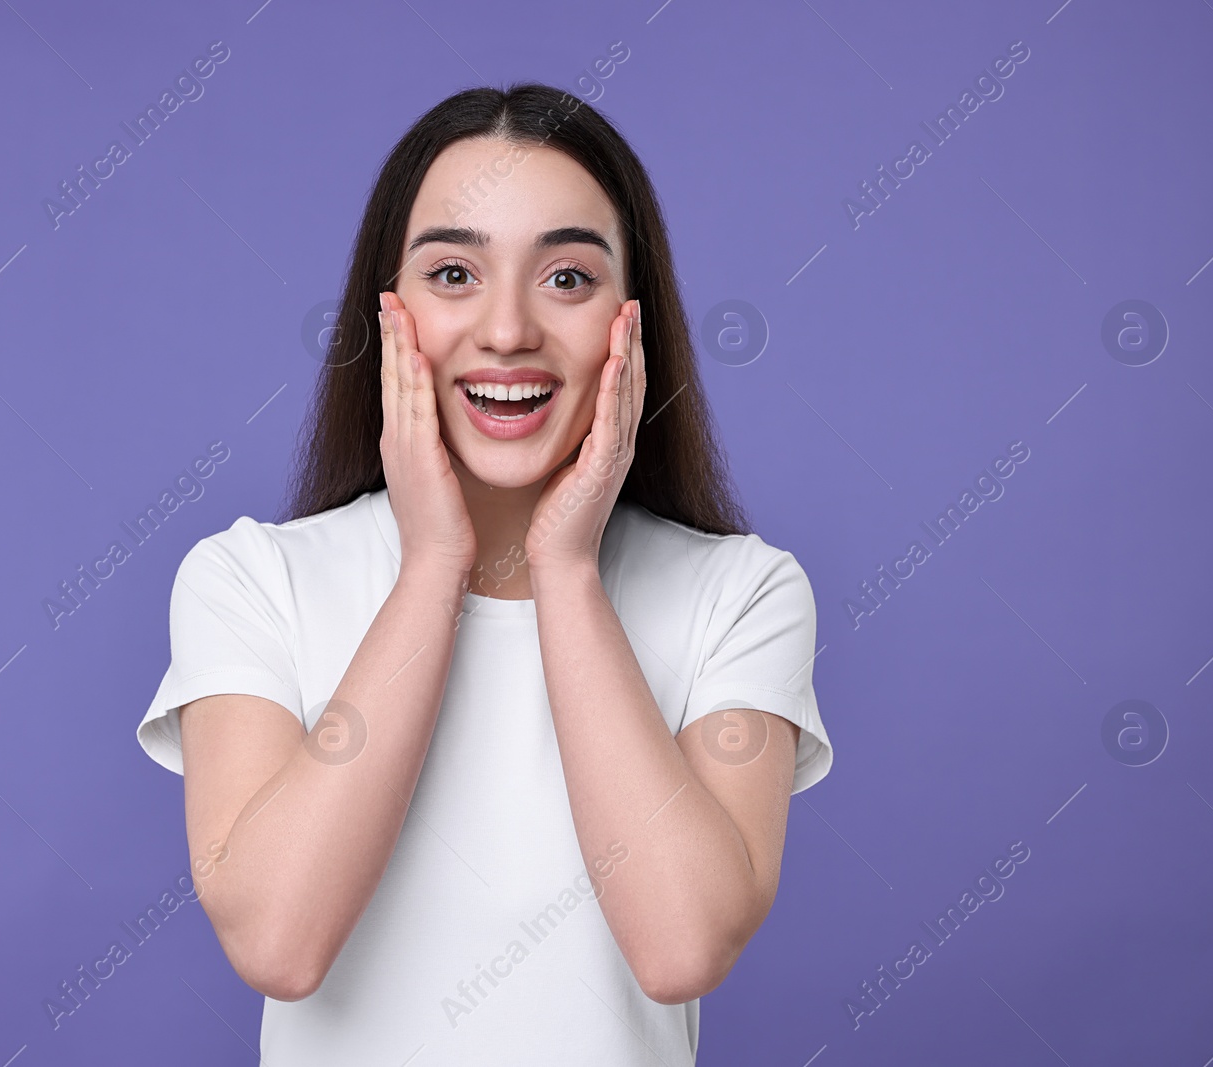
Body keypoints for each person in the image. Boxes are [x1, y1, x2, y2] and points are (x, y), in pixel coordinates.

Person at [135, 82, 833, 1066]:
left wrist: (566, 569)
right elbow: (278, 942)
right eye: (454, 272)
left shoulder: (741, 593)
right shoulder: (250, 581)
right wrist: (433, 565)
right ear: (389, 312)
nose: (507, 330)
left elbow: (680, 946)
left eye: (567, 278)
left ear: (632, 321)